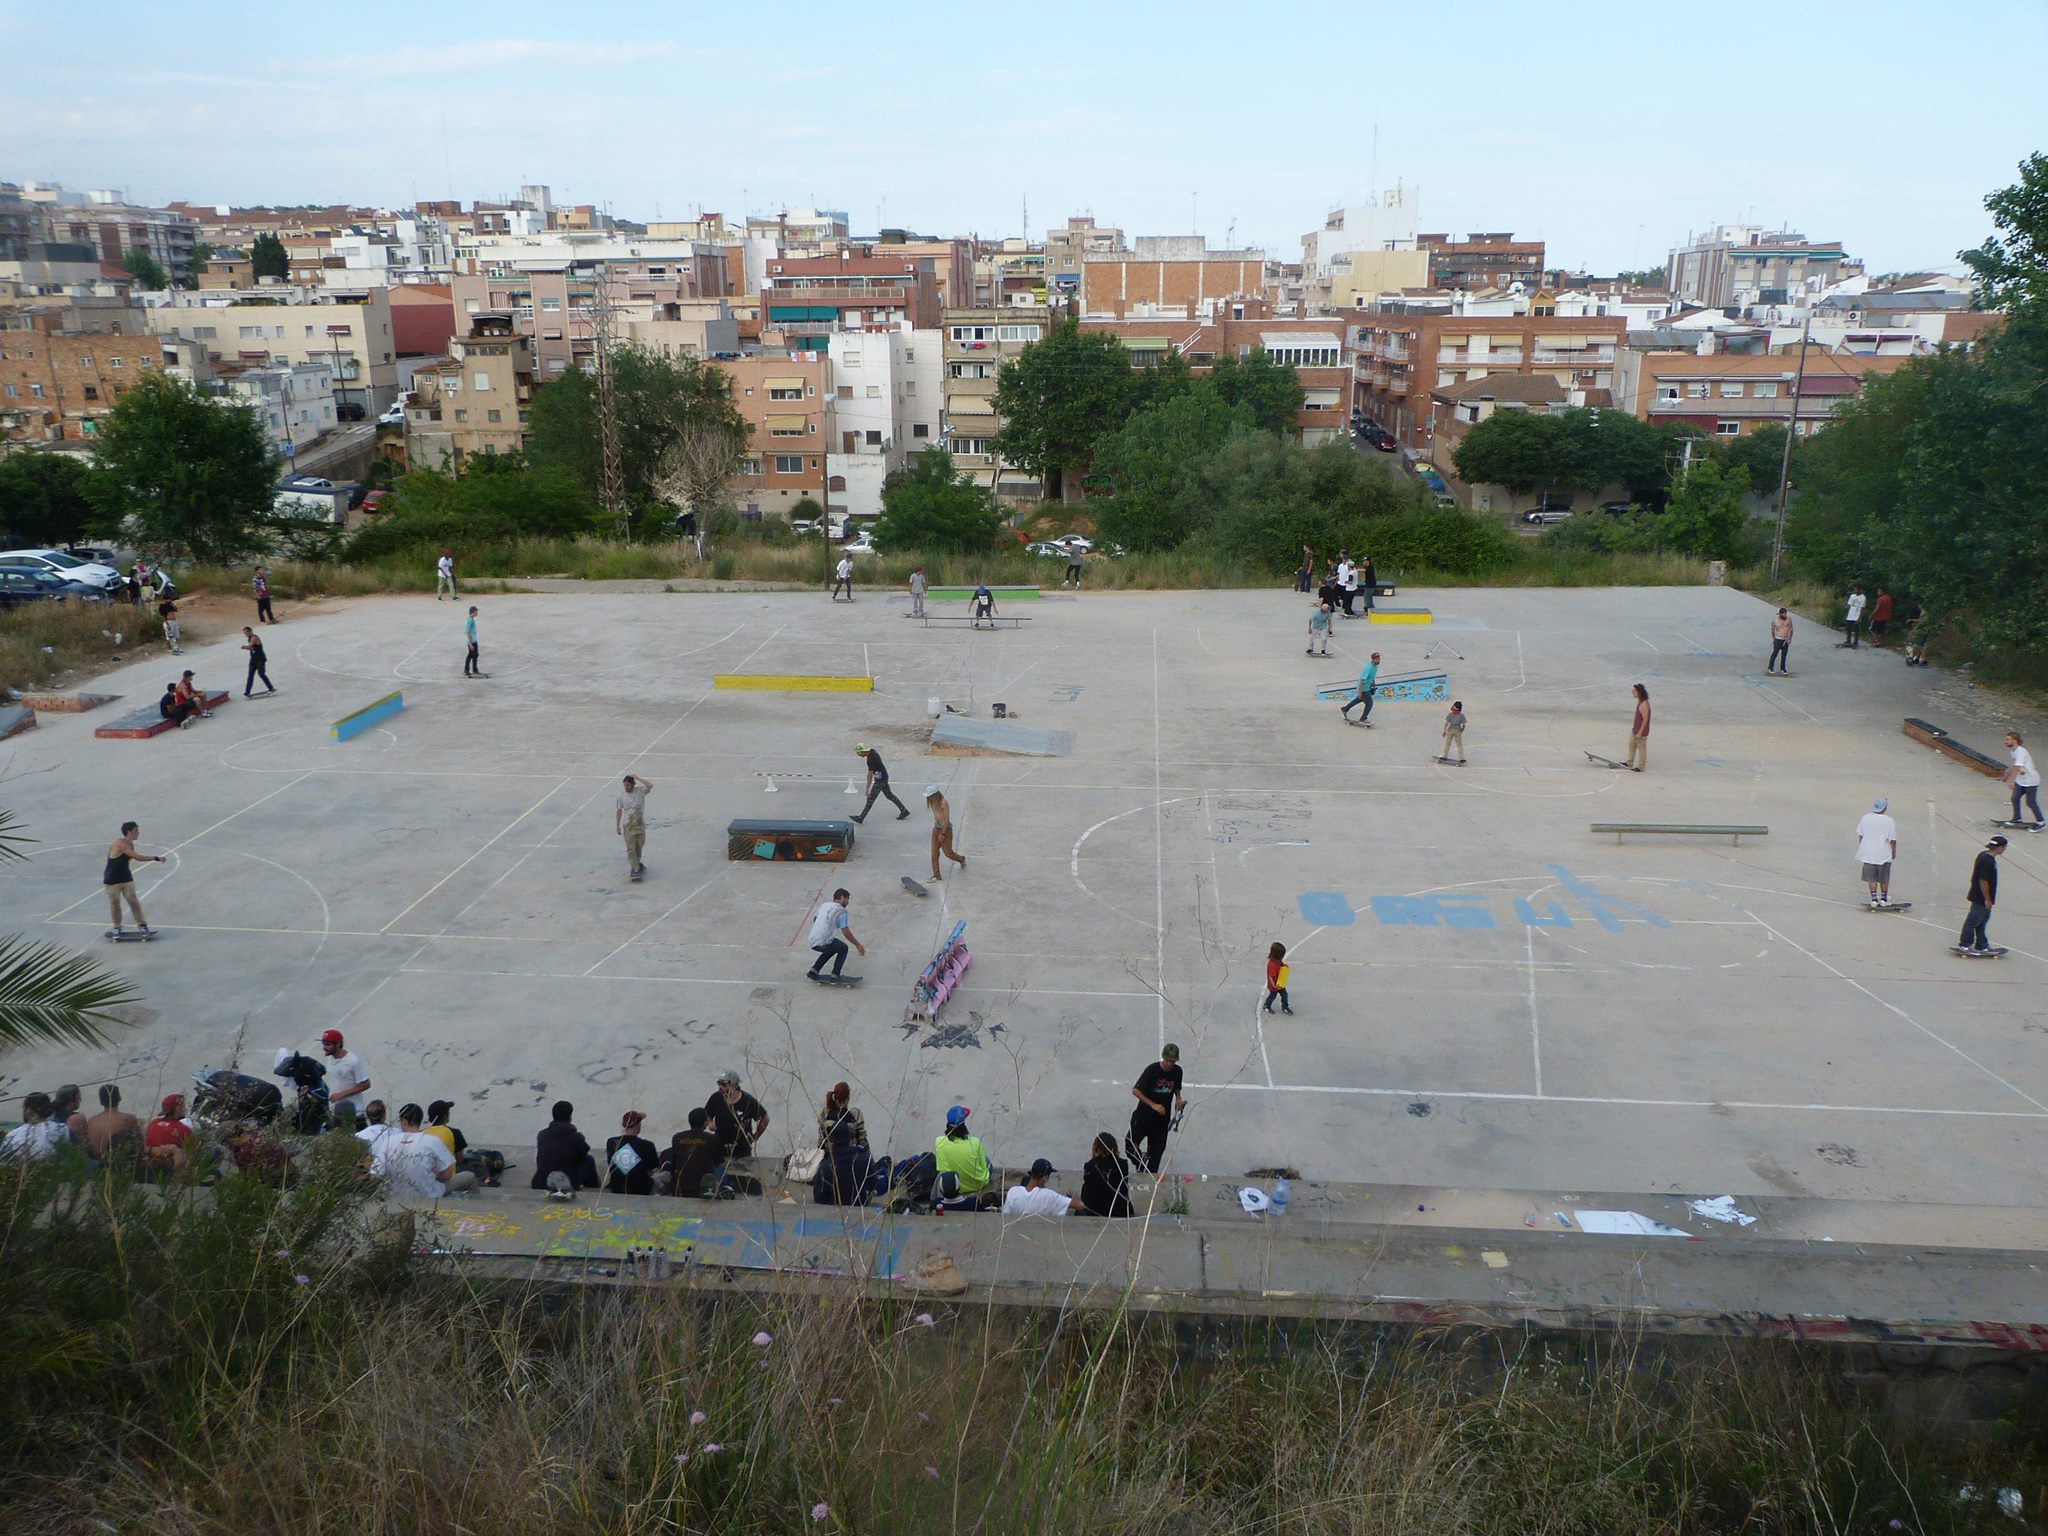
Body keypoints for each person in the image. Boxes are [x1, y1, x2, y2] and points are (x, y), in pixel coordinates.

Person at [374, 1104, 476, 1197]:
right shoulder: (432, 1141)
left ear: (404, 1122)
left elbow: (376, 1175)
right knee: (469, 1176)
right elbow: (446, 1176)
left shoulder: (388, 1142)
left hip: (395, 1194)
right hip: (428, 1194)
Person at [1127, 1044, 1184, 1174]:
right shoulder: (1152, 1070)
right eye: (1167, 1060)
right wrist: (1153, 1105)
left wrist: (1178, 1099)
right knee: (1130, 1146)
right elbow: (1136, 1091)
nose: (1169, 1064)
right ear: (1163, 1058)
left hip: (1161, 1121)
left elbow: (1176, 1087)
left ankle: (1148, 1175)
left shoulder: (1178, 1071)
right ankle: (1140, 1162)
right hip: (1143, 1117)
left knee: (1156, 1153)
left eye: (1172, 1061)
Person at [103, 820, 162, 938]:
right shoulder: (120, 844)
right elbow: (137, 857)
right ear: (129, 832)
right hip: (112, 880)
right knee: (115, 905)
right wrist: (156, 858)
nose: (138, 833)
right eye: (136, 830)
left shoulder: (130, 844)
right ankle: (117, 927)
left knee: (134, 902)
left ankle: (142, 925)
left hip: (126, 878)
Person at [932, 1105, 994, 1206]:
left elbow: (942, 1169)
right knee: (987, 1162)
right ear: (963, 1124)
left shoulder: (939, 1142)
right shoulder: (975, 1143)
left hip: (954, 1185)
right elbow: (983, 1167)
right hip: (977, 1184)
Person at [1955, 836, 2007, 957]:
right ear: (1999, 847)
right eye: (2004, 847)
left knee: (1982, 921)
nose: (2004, 850)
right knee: (1973, 921)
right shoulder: (1987, 861)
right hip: (1981, 897)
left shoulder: (1984, 855)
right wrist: (1987, 899)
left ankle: (1982, 945)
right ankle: (1965, 944)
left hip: (1982, 896)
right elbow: (1983, 881)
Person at [531, 1100, 600, 1190]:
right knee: (589, 1160)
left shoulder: (542, 1134)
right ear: (570, 1117)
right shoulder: (576, 1137)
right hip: (566, 1182)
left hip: (541, 1181)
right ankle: (593, 1187)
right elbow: (583, 1155)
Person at [704, 1071, 769, 1160]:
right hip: (720, 1145)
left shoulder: (748, 1101)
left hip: (742, 1148)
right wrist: (709, 1123)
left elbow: (765, 1118)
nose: (720, 1087)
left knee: (742, 1172)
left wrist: (755, 1137)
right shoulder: (716, 1098)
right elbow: (706, 1114)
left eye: (723, 1084)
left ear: (734, 1085)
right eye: (718, 1083)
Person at [659, 1108, 722, 1198]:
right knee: (721, 1166)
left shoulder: (677, 1137)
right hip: (702, 1186)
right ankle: (720, 1189)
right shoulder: (711, 1138)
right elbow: (718, 1162)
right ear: (705, 1123)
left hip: (680, 1186)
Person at [804, 887, 865, 979]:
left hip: (812, 940)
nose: (848, 902)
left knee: (832, 947)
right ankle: (835, 976)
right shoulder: (841, 911)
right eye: (847, 899)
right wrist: (857, 945)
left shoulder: (824, 905)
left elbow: (815, 919)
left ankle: (813, 970)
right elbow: (846, 932)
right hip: (823, 940)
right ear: (842, 897)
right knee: (843, 948)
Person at [84, 1084, 142, 1168]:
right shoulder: (129, 1119)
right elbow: (139, 1145)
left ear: (101, 1101)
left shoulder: (91, 1121)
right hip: (120, 1166)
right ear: (119, 1098)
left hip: (99, 1166)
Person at [1856, 797, 1898, 909]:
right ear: (1885, 807)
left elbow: (1861, 835)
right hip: (1883, 853)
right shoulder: (1889, 821)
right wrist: (1893, 852)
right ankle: (1884, 899)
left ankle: (1874, 899)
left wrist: (1863, 848)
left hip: (1868, 853)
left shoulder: (1865, 818)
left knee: (1871, 878)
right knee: (1884, 877)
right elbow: (1892, 839)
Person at [1002, 1158, 1081, 1217]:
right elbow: (1080, 1205)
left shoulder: (1013, 1192)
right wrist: (1075, 1196)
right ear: (1045, 1177)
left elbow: (1005, 1216)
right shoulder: (1049, 1196)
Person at [852, 744, 910, 824]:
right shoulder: (872, 751)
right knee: (889, 795)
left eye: (858, 753)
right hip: (883, 777)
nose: (858, 755)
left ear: (862, 752)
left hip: (880, 780)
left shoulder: (870, 759)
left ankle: (861, 818)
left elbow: (869, 775)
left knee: (870, 799)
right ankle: (904, 811)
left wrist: (867, 789)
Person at [605, 1110, 658, 1196]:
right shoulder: (647, 1145)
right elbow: (651, 1169)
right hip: (641, 1189)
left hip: (617, 1187)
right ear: (638, 1125)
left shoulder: (611, 1142)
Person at [1079, 1133, 1132, 1217]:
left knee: (1085, 1186)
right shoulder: (1122, 1164)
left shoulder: (1090, 1165)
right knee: (1121, 1186)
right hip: (1117, 1208)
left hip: (1095, 1209)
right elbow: (1124, 1187)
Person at [1, 1092, 65, 1162]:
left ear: (28, 1110)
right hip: (55, 1170)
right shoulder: (61, 1129)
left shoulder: (13, 1135)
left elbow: (5, 1158)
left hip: (20, 1171)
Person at [319, 1029, 370, 1115]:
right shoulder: (330, 1058)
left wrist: (340, 1095)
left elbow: (365, 1084)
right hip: (336, 1110)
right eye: (324, 1044)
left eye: (328, 1044)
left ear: (338, 1044)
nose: (324, 1048)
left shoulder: (353, 1061)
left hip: (354, 1111)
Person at [144, 1094, 194, 1178]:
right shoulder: (183, 1129)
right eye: (182, 1106)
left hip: (150, 1162)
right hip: (169, 1165)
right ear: (177, 1108)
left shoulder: (153, 1122)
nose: (184, 1108)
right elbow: (192, 1152)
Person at [925, 785, 967, 882]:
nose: (928, 798)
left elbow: (946, 819)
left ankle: (961, 859)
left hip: (945, 830)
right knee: (934, 853)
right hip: (936, 828)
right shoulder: (932, 803)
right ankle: (936, 874)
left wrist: (943, 833)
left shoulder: (943, 803)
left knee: (948, 853)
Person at [2004, 733, 2043, 830]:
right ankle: (2017, 818)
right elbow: (2015, 765)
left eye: (2008, 740)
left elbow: (2017, 767)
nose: (2006, 741)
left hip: (2031, 780)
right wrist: (2007, 775)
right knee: (2015, 798)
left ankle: (2040, 822)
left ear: (2015, 740)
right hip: (2021, 780)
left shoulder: (2020, 751)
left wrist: (2011, 781)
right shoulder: (2013, 751)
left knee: (2030, 802)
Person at [615, 773, 651, 878]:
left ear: (633, 784)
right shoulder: (621, 796)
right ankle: (635, 868)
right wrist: (617, 825)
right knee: (631, 848)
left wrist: (638, 778)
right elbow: (619, 811)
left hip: (639, 824)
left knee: (639, 845)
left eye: (628, 785)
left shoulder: (640, 791)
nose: (626, 787)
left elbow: (650, 785)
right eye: (625, 785)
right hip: (628, 825)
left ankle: (637, 863)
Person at [817, 1082, 867, 1150]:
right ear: (848, 1098)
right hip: (851, 1155)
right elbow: (862, 1141)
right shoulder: (856, 1114)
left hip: (831, 1156)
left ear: (834, 1097)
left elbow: (821, 1143)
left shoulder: (826, 1113)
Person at [1340, 651, 1379, 725]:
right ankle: (1363, 719)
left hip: (1367, 687)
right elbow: (1363, 680)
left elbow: (1372, 676)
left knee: (1359, 699)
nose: (1378, 660)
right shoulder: (1369, 668)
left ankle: (1345, 709)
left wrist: (1373, 683)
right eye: (1376, 659)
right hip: (1363, 687)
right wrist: (1360, 691)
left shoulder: (1376, 666)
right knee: (1369, 703)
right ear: (1372, 659)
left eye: (1378, 658)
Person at [241, 626, 276, 697]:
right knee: (250, 676)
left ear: (250, 631)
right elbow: (251, 648)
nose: (245, 634)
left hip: (260, 659)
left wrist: (244, 647)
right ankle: (247, 692)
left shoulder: (254, 638)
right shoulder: (249, 638)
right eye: (244, 633)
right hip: (253, 659)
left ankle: (270, 687)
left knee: (261, 674)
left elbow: (250, 646)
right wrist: (247, 648)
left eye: (246, 633)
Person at [1625, 683, 1651, 772]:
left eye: (1634, 691)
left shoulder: (1644, 704)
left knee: (1641, 748)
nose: (1633, 692)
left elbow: (1645, 719)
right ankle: (1629, 762)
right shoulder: (1640, 702)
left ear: (1639, 692)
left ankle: (1641, 766)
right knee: (1631, 745)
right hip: (1635, 730)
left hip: (1640, 731)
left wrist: (1640, 732)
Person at [1263, 942, 1292, 1015]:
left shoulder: (1277, 961)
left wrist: (1284, 965)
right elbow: (1271, 977)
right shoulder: (1272, 965)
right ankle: (1267, 1005)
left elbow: (1281, 964)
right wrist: (1274, 985)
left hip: (1280, 982)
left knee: (1284, 994)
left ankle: (1285, 1007)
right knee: (1272, 996)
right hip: (1274, 985)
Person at [1768, 608, 1793, 675]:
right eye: (1784, 614)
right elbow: (1773, 631)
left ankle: (1783, 668)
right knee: (1774, 654)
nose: (1785, 615)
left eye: (1786, 613)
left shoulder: (1789, 619)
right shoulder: (1775, 621)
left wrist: (1790, 638)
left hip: (1785, 639)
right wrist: (1774, 639)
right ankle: (1770, 667)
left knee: (1784, 655)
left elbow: (1791, 629)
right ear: (1780, 614)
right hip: (1778, 639)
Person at [463, 605, 481, 678]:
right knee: (472, 655)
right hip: (471, 641)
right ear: (473, 612)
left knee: (474, 655)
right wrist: (470, 644)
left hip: (473, 640)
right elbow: (468, 632)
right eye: (476, 611)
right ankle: (472, 670)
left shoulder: (471, 619)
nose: (477, 613)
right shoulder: (470, 620)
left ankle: (471, 670)